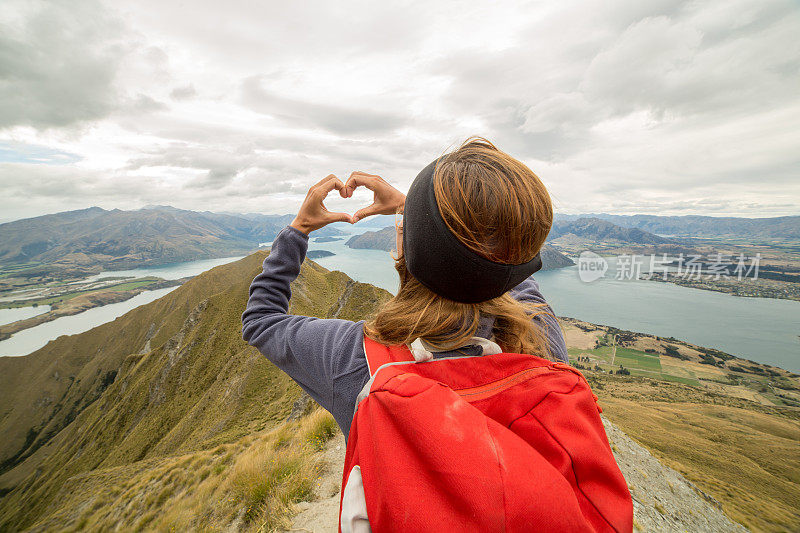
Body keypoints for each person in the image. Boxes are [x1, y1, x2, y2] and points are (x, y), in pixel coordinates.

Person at [241, 136, 568, 440]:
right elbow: (506, 256)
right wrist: (416, 213)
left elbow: (260, 319)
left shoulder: (353, 360)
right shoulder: (538, 337)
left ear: (404, 247)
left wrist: (299, 229)